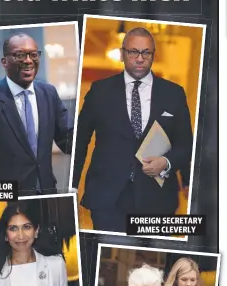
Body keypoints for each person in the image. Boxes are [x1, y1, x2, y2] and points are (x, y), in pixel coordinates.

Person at [72, 27, 193, 233]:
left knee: (151, 261)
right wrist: (71, 186)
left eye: (146, 52)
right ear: (122, 54)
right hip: (107, 197)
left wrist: (168, 163)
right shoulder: (100, 91)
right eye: (133, 52)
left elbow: (186, 144)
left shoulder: (174, 93)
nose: (139, 58)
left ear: (153, 55)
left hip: (158, 199)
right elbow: (79, 140)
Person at [0, 33, 74, 195]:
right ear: (4, 62)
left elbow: (67, 139)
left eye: (33, 54)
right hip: (4, 202)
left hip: (47, 195)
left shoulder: (48, 93)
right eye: (19, 55)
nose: (28, 60)